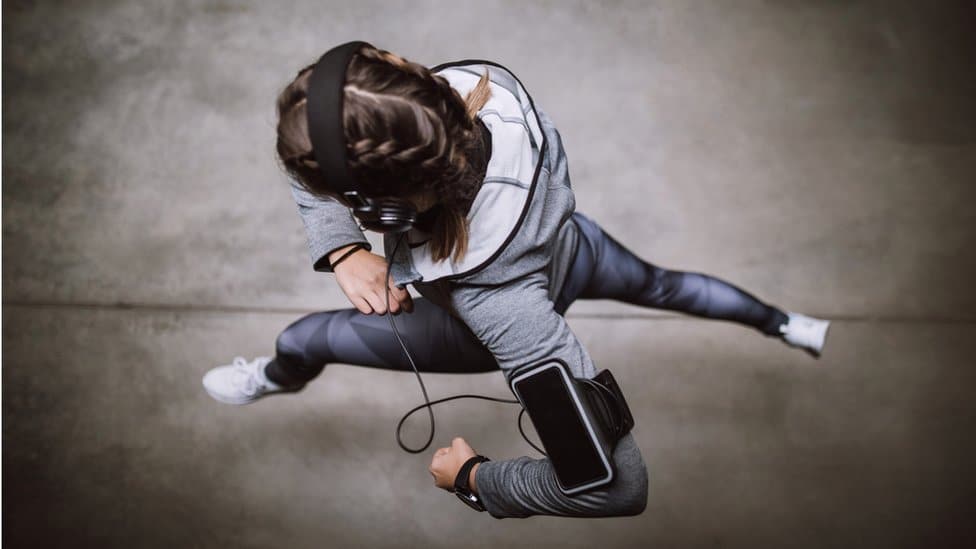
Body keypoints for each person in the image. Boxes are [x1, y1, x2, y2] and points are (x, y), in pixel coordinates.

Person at [202, 43, 830, 519]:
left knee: (307, 337)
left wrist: (475, 479)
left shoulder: (504, 314)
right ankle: (785, 323)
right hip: (575, 248)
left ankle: (276, 376)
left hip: (482, 321)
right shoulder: (463, 99)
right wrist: (342, 247)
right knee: (665, 286)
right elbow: (320, 144)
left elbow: (617, 488)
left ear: (386, 211)